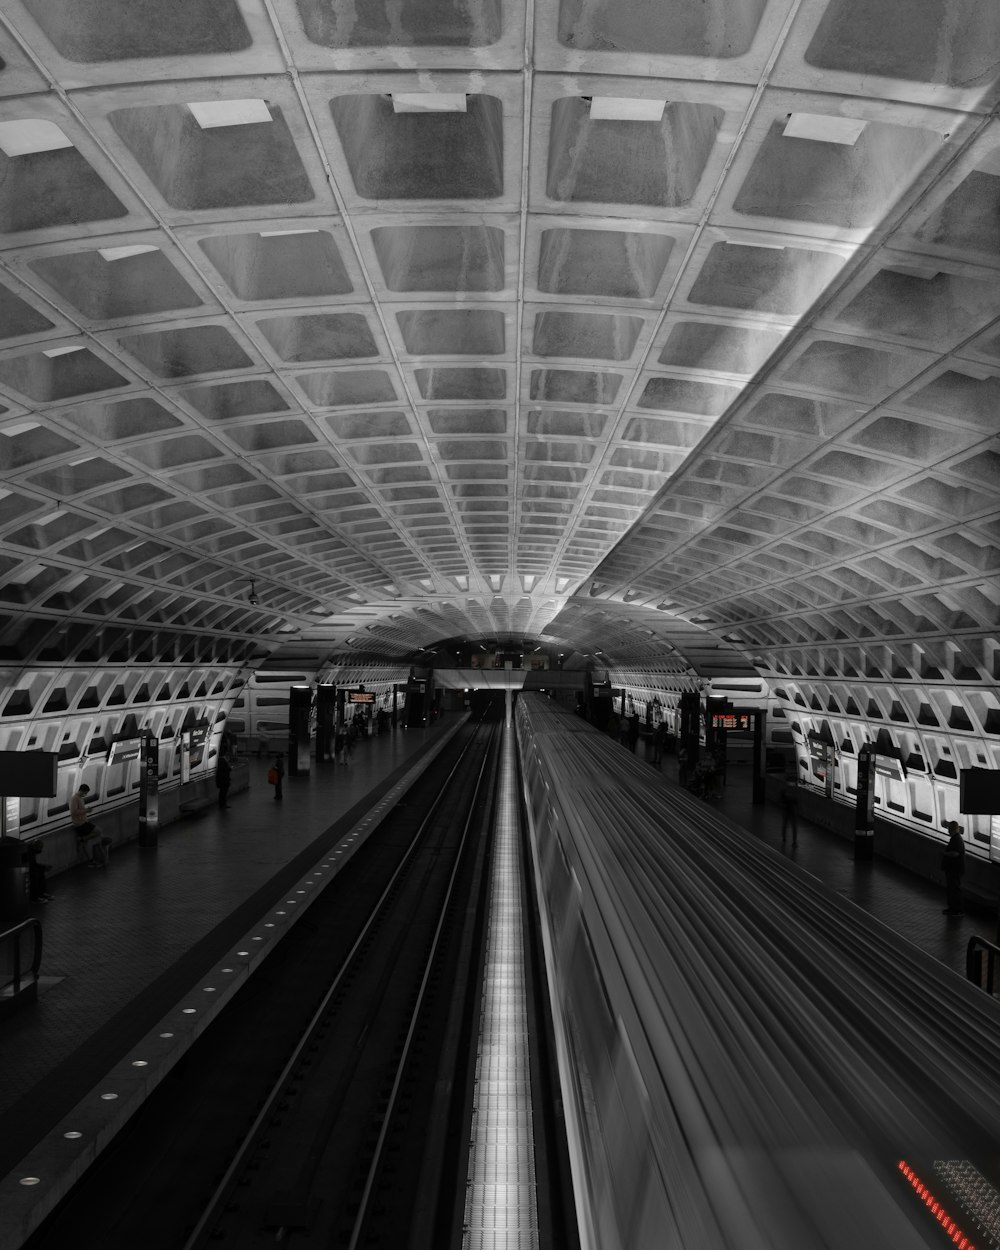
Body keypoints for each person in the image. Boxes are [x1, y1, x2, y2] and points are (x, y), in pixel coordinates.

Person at [70, 783, 109, 867]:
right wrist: (86, 811)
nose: (86, 794)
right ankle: (82, 838)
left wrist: (86, 810)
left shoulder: (80, 798)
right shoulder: (74, 798)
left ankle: (91, 861)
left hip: (83, 822)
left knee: (86, 844)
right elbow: (73, 812)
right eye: (86, 793)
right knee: (98, 831)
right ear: (82, 791)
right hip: (80, 823)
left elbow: (79, 810)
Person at [941, 820, 965, 916]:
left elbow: (956, 853)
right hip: (953, 869)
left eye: (949, 828)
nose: (948, 830)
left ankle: (957, 910)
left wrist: (944, 854)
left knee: (955, 889)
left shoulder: (957, 839)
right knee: (952, 889)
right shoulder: (955, 838)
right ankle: (952, 908)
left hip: (955, 869)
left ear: (951, 829)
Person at [780, 776, 798, 846]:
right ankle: (793, 841)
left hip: (787, 809)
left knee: (786, 825)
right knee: (793, 826)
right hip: (791, 809)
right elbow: (797, 800)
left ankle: (785, 838)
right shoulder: (794, 790)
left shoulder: (784, 789)